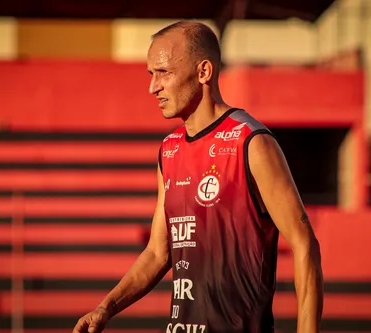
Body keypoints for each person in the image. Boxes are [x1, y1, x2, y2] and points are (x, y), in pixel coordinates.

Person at [72, 20, 324, 333]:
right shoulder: (170, 150)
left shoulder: (251, 142)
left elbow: (304, 244)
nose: (153, 87)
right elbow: (157, 253)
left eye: (163, 73)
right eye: (151, 74)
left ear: (204, 72)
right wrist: (105, 307)